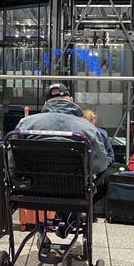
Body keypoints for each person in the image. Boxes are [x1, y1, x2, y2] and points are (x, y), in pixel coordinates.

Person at [14, 83, 108, 237]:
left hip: (34, 190)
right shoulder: (88, 128)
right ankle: (72, 219)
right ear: (70, 99)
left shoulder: (26, 124)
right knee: (76, 181)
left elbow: (12, 161)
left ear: (46, 103)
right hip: (74, 191)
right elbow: (101, 164)